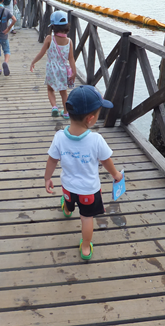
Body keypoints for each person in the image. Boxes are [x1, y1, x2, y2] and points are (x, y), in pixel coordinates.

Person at [44, 85, 123, 260]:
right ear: (91, 118)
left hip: (68, 187)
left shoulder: (59, 137)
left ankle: (66, 208)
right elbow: (106, 161)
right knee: (86, 218)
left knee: (69, 202)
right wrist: (116, 175)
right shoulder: (96, 140)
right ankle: (86, 248)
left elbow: (52, 160)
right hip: (89, 191)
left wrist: (47, 178)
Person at [30, 11, 76, 119]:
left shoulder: (49, 39)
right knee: (63, 92)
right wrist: (74, 71)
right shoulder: (69, 41)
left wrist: (33, 62)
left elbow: (41, 53)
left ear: (53, 27)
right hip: (63, 70)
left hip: (51, 69)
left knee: (50, 90)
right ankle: (66, 112)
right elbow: (71, 58)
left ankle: (54, 107)